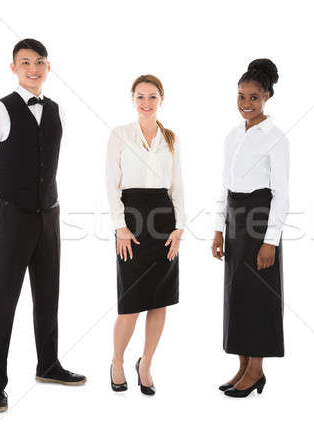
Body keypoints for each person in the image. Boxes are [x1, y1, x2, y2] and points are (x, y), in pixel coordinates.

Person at [0, 38, 85, 412]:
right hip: (13, 216)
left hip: (50, 215)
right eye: (25, 62)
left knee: (48, 294)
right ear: (14, 68)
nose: (33, 68)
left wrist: (42, 208)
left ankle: (49, 364)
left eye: (39, 61)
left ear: (47, 66)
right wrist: (8, 208)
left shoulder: (57, 111)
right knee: (1, 301)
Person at [211, 59, 289, 398]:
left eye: (254, 97)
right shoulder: (233, 136)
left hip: (260, 220)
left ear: (268, 96)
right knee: (237, 295)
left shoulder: (275, 138)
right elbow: (225, 184)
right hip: (234, 218)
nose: (246, 103)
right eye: (241, 96)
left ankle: (257, 369)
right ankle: (242, 365)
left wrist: (270, 240)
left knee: (258, 296)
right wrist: (218, 228)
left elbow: (282, 194)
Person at [105, 74, 186, 396]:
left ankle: (147, 364)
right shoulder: (120, 134)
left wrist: (180, 228)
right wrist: (119, 227)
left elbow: (177, 185)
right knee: (130, 303)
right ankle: (116, 362)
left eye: (152, 97)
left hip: (164, 220)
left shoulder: (171, 138)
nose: (146, 102)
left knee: (159, 301)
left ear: (161, 99)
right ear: (133, 99)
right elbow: (111, 183)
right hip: (132, 219)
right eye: (141, 96)